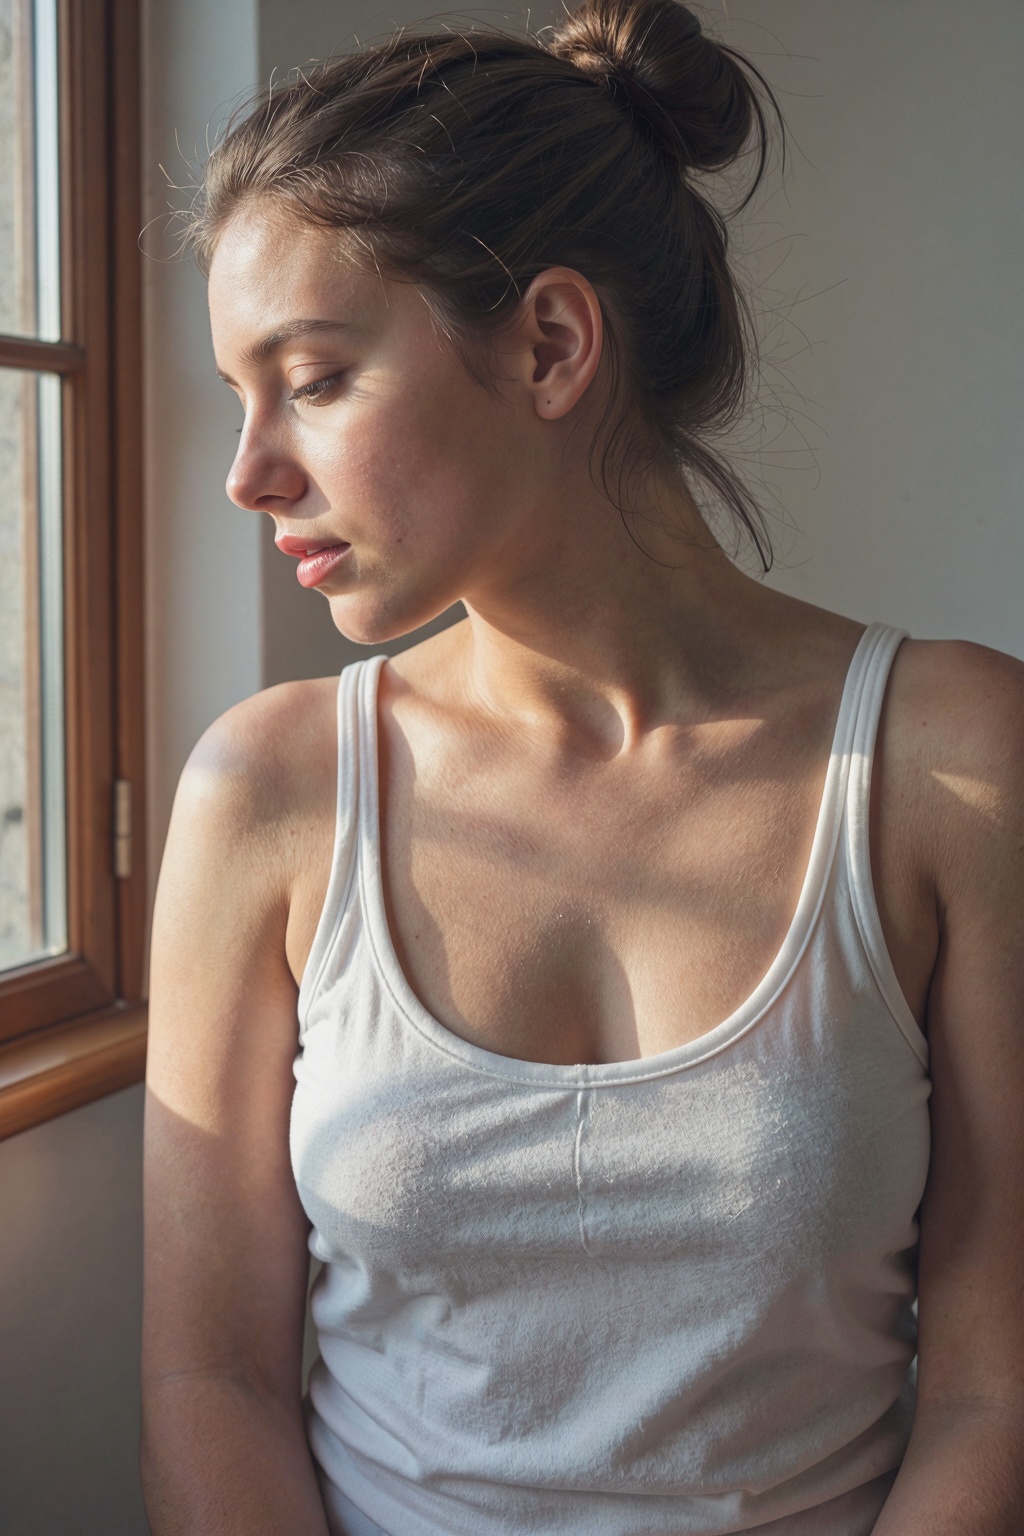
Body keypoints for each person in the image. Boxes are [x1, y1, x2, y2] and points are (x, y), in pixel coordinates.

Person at [139, 2, 1024, 1531]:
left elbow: (995, 1384)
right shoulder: (269, 792)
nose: (250, 470)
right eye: (241, 393)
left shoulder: (953, 765)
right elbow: (210, 1380)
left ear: (550, 343)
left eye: (315, 378)